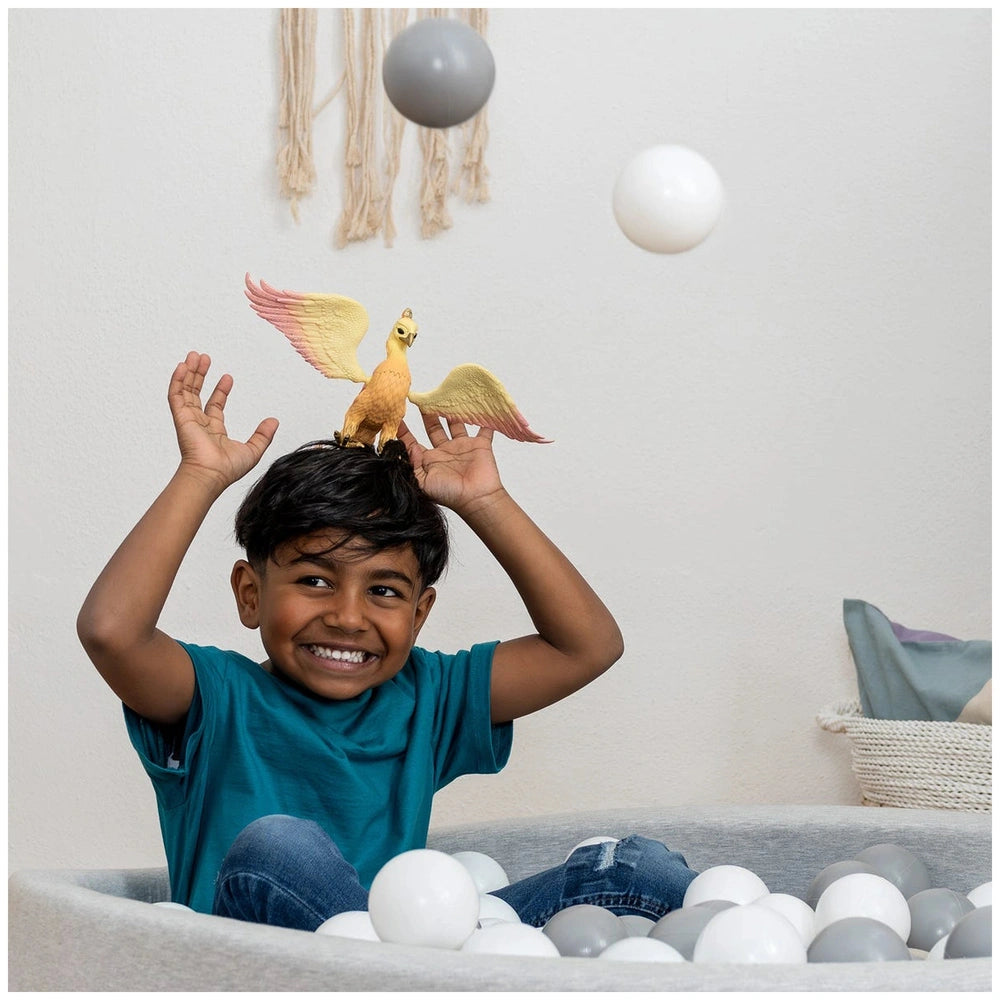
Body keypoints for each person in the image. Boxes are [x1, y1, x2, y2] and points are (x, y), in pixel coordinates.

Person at [77, 351, 697, 931]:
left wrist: (485, 501)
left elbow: (587, 646)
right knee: (277, 846)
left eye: (384, 591)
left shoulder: (429, 696)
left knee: (641, 872)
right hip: (264, 964)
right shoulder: (215, 698)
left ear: (421, 613)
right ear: (250, 593)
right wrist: (200, 476)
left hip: (410, 952)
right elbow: (112, 632)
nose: (349, 617)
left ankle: (419, 978)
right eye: (316, 579)